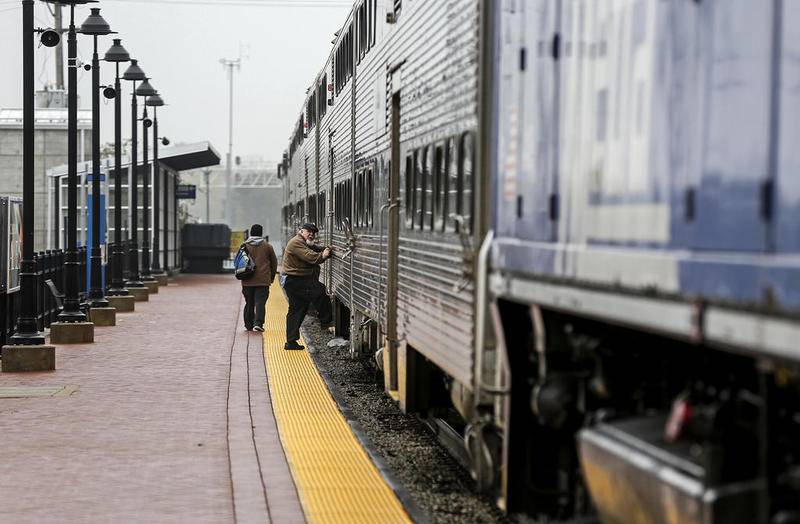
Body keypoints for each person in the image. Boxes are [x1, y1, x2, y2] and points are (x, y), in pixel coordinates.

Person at [282, 222, 333, 350]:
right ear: (301, 231)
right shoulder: (296, 243)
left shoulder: (302, 241)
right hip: (297, 281)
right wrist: (324, 255)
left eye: (313, 233)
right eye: (308, 231)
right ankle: (326, 322)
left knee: (297, 310)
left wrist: (324, 248)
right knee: (320, 292)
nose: (311, 234)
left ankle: (291, 342)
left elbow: (314, 248)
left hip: (295, 281)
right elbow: (311, 257)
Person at [241, 224, 278, 332]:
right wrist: (271, 278)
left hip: (247, 279)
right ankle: (258, 323)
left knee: (249, 302)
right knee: (260, 302)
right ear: (261, 233)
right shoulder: (267, 246)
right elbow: (274, 263)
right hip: (263, 280)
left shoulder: (244, 245)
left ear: (251, 232)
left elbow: (239, 262)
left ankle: (248, 324)